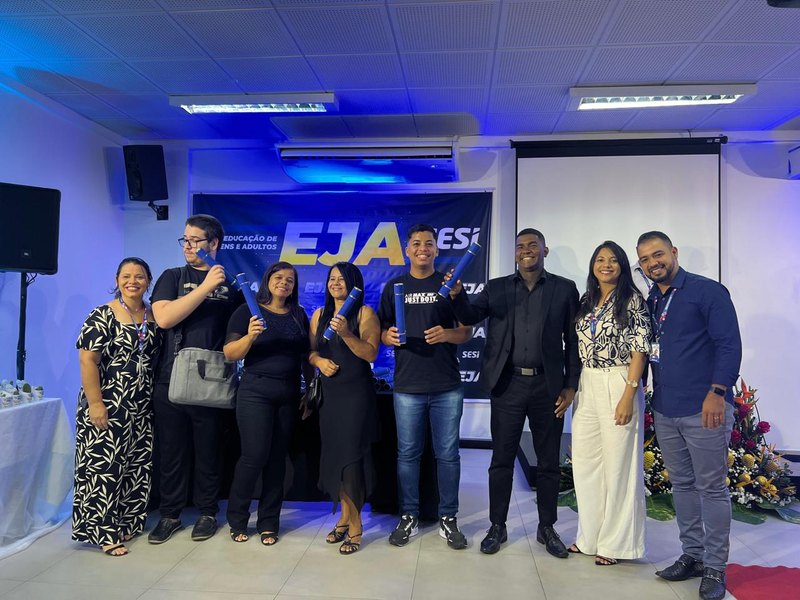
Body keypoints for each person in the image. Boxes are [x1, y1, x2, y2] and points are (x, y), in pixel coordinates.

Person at [448, 228, 580, 558]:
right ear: (515, 252)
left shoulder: (564, 289)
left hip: (548, 387)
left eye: (533, 245)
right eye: (520, 246)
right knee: (501, 460)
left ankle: (546, 527)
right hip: (508, 385)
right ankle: (497, 526)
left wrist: (571, 385)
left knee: (548, 462)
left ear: (545, 250)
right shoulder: (497, 288)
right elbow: (468, 317)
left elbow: (573, 340)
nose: (526, 250)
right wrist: (457, 295)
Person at [636, 231, 742, 600]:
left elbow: (729, 344)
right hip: (666, 408)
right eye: (645, 259)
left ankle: (715, 566)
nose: (653, 263)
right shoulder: (652, 299)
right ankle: (693, 555)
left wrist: (718, 392)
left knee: (711, 488)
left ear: (673, 252)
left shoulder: (706, 291)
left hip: (704, 408)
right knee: (681, 486)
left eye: (658, 254)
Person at [148, 214, 243, 544]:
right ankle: (170, 514)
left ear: (213, 243)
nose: (188, 246)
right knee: (171, 451)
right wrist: (205, 287)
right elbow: (164, 318)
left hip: (213, 378)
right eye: (185, 240)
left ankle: (207, 512)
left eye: (195, 240)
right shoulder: (172, 276)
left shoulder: (232, 286)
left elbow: (238, 333)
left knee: (209, 450)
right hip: (171, 376)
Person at [378, 223, 473, 550]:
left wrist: (447, 334)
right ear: (407, 250)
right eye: (417, 243)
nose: (423, 248)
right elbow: (381, 330)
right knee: (408, 455)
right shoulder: (394, 286)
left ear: (436, 248)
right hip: (408, 385)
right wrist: (387, 336)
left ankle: (449, 517)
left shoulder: (450, 285)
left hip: (446, 385)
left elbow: (467, 331)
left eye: (429, 243)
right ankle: (409, 515)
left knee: (448, 455)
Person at [73, 257, 162, 556]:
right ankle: (104, 532)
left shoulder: (153, 314)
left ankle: (126, 523)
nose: (132, 281)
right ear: (117, 280)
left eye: (139, 276)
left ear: (148, 281)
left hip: (141, 405)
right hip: (108, 402)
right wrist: (95, 403)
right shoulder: (103, 314)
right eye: (126, 276)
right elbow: (87, 360)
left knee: (135, 467)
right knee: (104, 468)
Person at [569, 241, 651, 566]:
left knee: (620, 466)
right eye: (600, 259)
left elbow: (640, 350)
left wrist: (628, 395)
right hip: (587, 382)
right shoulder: (587, 300)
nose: (606, 265)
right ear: (593, 265)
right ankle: (589, 537)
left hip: (620, 380)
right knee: (586, 464)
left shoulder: (632, 300)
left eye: (613, 260)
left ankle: (616, 544)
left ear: (622, 266)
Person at [224, 261, 310, 546]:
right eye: (279, 277)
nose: (284, 282)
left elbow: (305, 357)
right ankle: (237, 520)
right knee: (253, 456)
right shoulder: (247, 310)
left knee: (277, 460)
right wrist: (250, 336)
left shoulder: (298, 314)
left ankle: (269, 523)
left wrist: (309, 391)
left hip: (288, 393)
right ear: (267, 280)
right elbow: (230, 353)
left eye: (290, 280)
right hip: (255, 391)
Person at [309, 262, 380, 555]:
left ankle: (356, 524)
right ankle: (343, 517)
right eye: (332, 278)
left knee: (352, 458)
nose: (335, 283)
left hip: (356, 396)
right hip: (330, 396)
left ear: (353, 284)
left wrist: (348, 333)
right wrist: (318, 362)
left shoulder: (364, 313)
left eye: (341, 279)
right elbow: (311, 352)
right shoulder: (318, 314)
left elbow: (371, 354)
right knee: (336, 456)